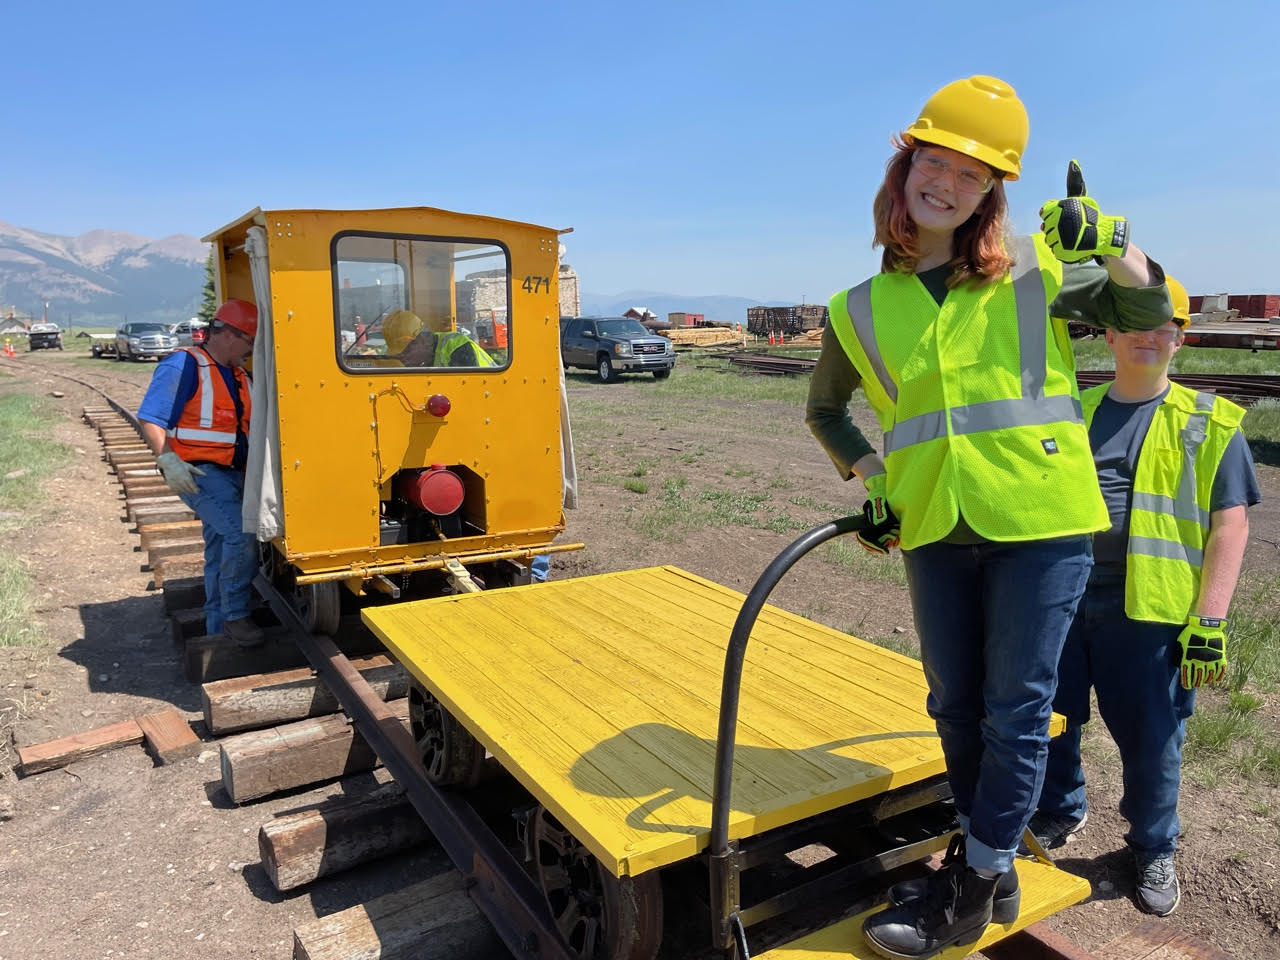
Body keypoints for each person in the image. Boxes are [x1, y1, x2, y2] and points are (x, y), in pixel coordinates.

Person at [805, 75, 1173, 958]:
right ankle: (995, 867)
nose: (949, 185)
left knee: (1017, 710)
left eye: (973, 177)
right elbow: (826, 411)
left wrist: (1116, 243)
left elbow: (1147, 310)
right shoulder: (854, 307)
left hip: (1040, 522)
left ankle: (967, 888)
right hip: (933, 526)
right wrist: (872, 477)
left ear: (990, 197)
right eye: (934, 164)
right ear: (904, 172)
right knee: (955, 707)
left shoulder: (1036, 276)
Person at [1030, 277, 1259, 917]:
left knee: (1155, 740)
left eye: (1165, 327)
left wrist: (1209, 617)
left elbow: (1230, 524)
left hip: (1151, 612)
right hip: (1060, 599)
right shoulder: (1070, 409)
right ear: (1109, 333)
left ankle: (1154, 844)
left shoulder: (1209, 423)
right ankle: (1058, 810)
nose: (1149, 337)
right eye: (1136, 325)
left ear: (1180, 339)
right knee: (1051, 721)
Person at [137, 299, 264, 648]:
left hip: (234, 473)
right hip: (199, 473)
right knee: (241, 535)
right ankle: (236, 616)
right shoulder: (184, 365)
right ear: (229, 334)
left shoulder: (240, 377)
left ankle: (215, 625)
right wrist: (168, 461)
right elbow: (151, 417)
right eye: (249, 343)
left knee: (221, 544)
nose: (250, 351)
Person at [382, 309, 495, 367]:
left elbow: (466, 388)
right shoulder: (425, 357)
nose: (403, 360)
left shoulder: (457, 346)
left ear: (420, 341)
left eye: (404, 353)